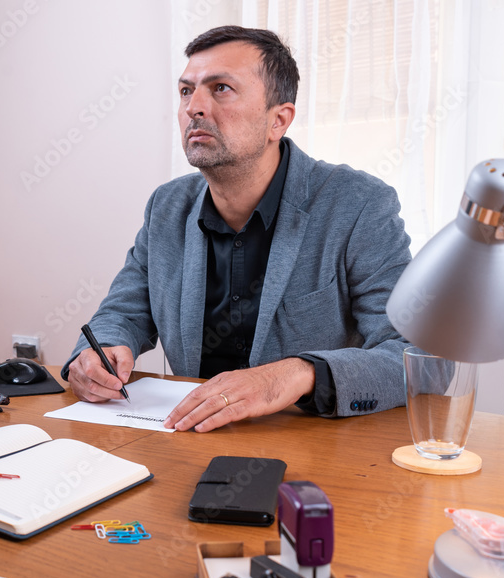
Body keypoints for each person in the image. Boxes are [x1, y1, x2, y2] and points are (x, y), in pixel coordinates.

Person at [63, 25, 411, 433]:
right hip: (187, 437)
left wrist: (295, 374)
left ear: (278, 120)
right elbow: (122, 313)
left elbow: (416, 355)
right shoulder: (166, 206)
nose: (195, 106)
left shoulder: (358, 204)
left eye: (221, 88)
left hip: (309, 449)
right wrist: (99, 351)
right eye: (186, 91)